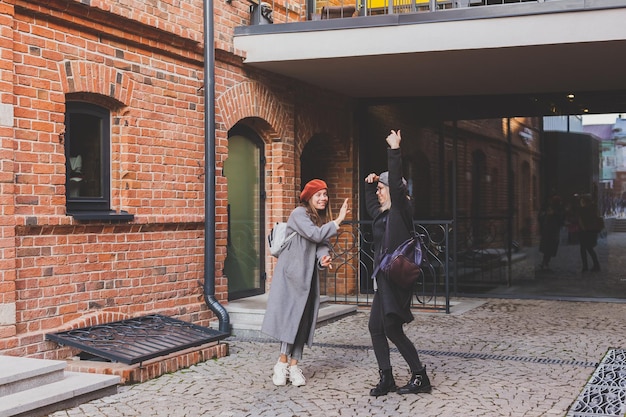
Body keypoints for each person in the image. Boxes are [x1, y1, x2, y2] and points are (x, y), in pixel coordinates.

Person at [261, 179, 349, 387]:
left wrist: (323, 258)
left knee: (304, 321)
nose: (323, 198)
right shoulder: (299, 214)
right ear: (309, 197)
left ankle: (293, 365)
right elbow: (314, 234)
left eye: (325, 194)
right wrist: (338, 221)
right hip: (291, 276)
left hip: (307, 277)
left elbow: (321, 243)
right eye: (319, 195)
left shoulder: (319, 219)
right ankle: (281, 364)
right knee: (291, 319)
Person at [364, 129, 431, 397]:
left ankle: (420, 376)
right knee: (377, 327)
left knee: (391, 328)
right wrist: (371, 183)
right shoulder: (382, 215)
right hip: (384, 280)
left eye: (382, 189)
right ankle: (387, 378)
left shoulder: (402, 211)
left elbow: (397, 187)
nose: (379, 193)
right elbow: (371, 203)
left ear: (393, 190)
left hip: (397, 280)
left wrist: (394, 150)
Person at [537, 195, 564, 271]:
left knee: (549, 247)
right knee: (547, 248)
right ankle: (545, 262)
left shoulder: (558, 210)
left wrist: (553, 214)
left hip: (553, 231)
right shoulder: (550, 208)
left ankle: (545, 262)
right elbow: (542, 217)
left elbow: (560, 219)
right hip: (548, 230)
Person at [577, 194, 601, 272]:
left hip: (584, 232)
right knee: (590, 248)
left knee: (583, 249)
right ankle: (596, 265)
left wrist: (583, 228)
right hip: (592, 231)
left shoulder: (582, 210)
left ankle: (585, 266)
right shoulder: (594, 208)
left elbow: (580, 220)